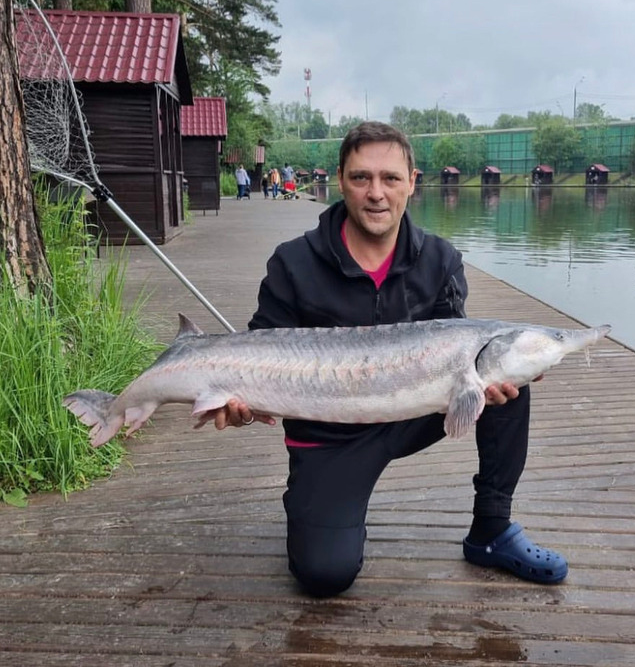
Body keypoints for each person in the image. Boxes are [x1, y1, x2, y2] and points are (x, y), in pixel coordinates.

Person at [201, 122, 567, 597]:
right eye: (361, 178)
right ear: (340, 179)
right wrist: (240, 405)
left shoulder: (441, 260)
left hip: (413, 412)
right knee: (324, 576)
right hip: (329, 436)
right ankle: (325, 512)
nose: (376, 193)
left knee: (507, 374)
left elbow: (457, 343)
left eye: (391, 179)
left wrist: (481, 386)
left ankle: (492, 530)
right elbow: (255, 358)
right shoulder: (292, 264)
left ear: (412, 182)